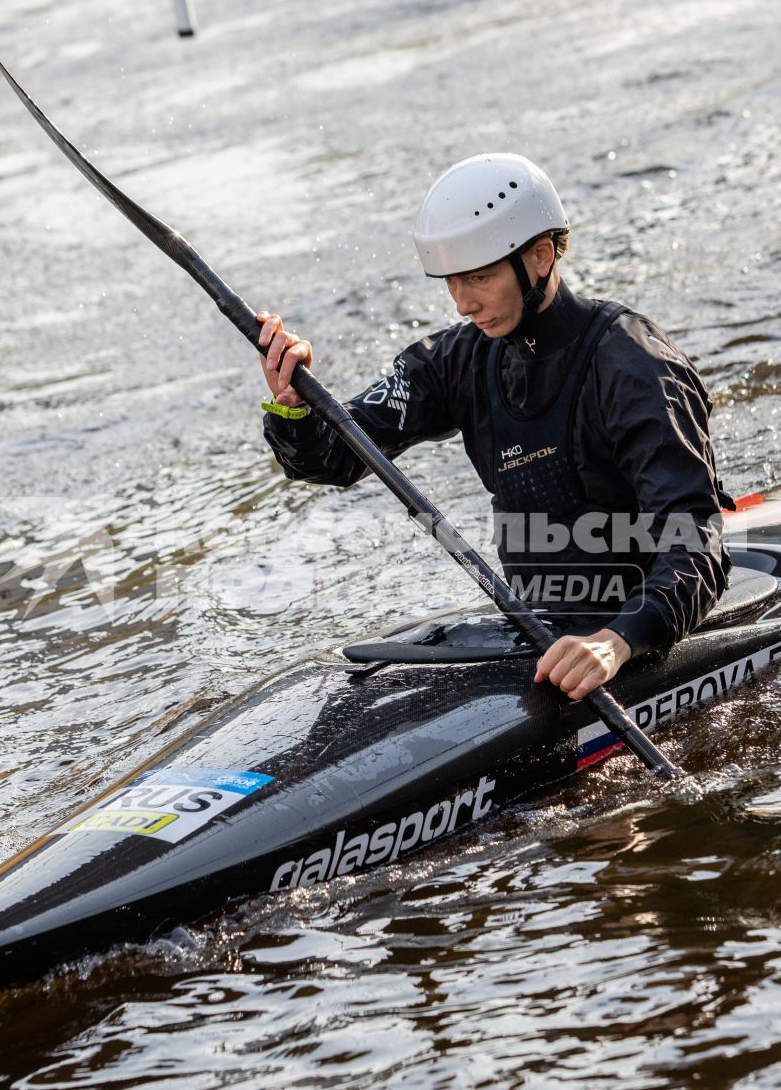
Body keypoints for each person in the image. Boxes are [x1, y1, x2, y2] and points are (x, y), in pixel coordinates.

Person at [256, 153, 731, 702]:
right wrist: (294, 403)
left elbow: (695, 538)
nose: (462, 303)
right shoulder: (456, 361)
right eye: (452, 282)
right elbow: (334, 459)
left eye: (479, 277)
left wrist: (617, 641)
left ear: (541, 256)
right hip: (538, 628)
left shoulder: (633, 364)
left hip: (637, 628)